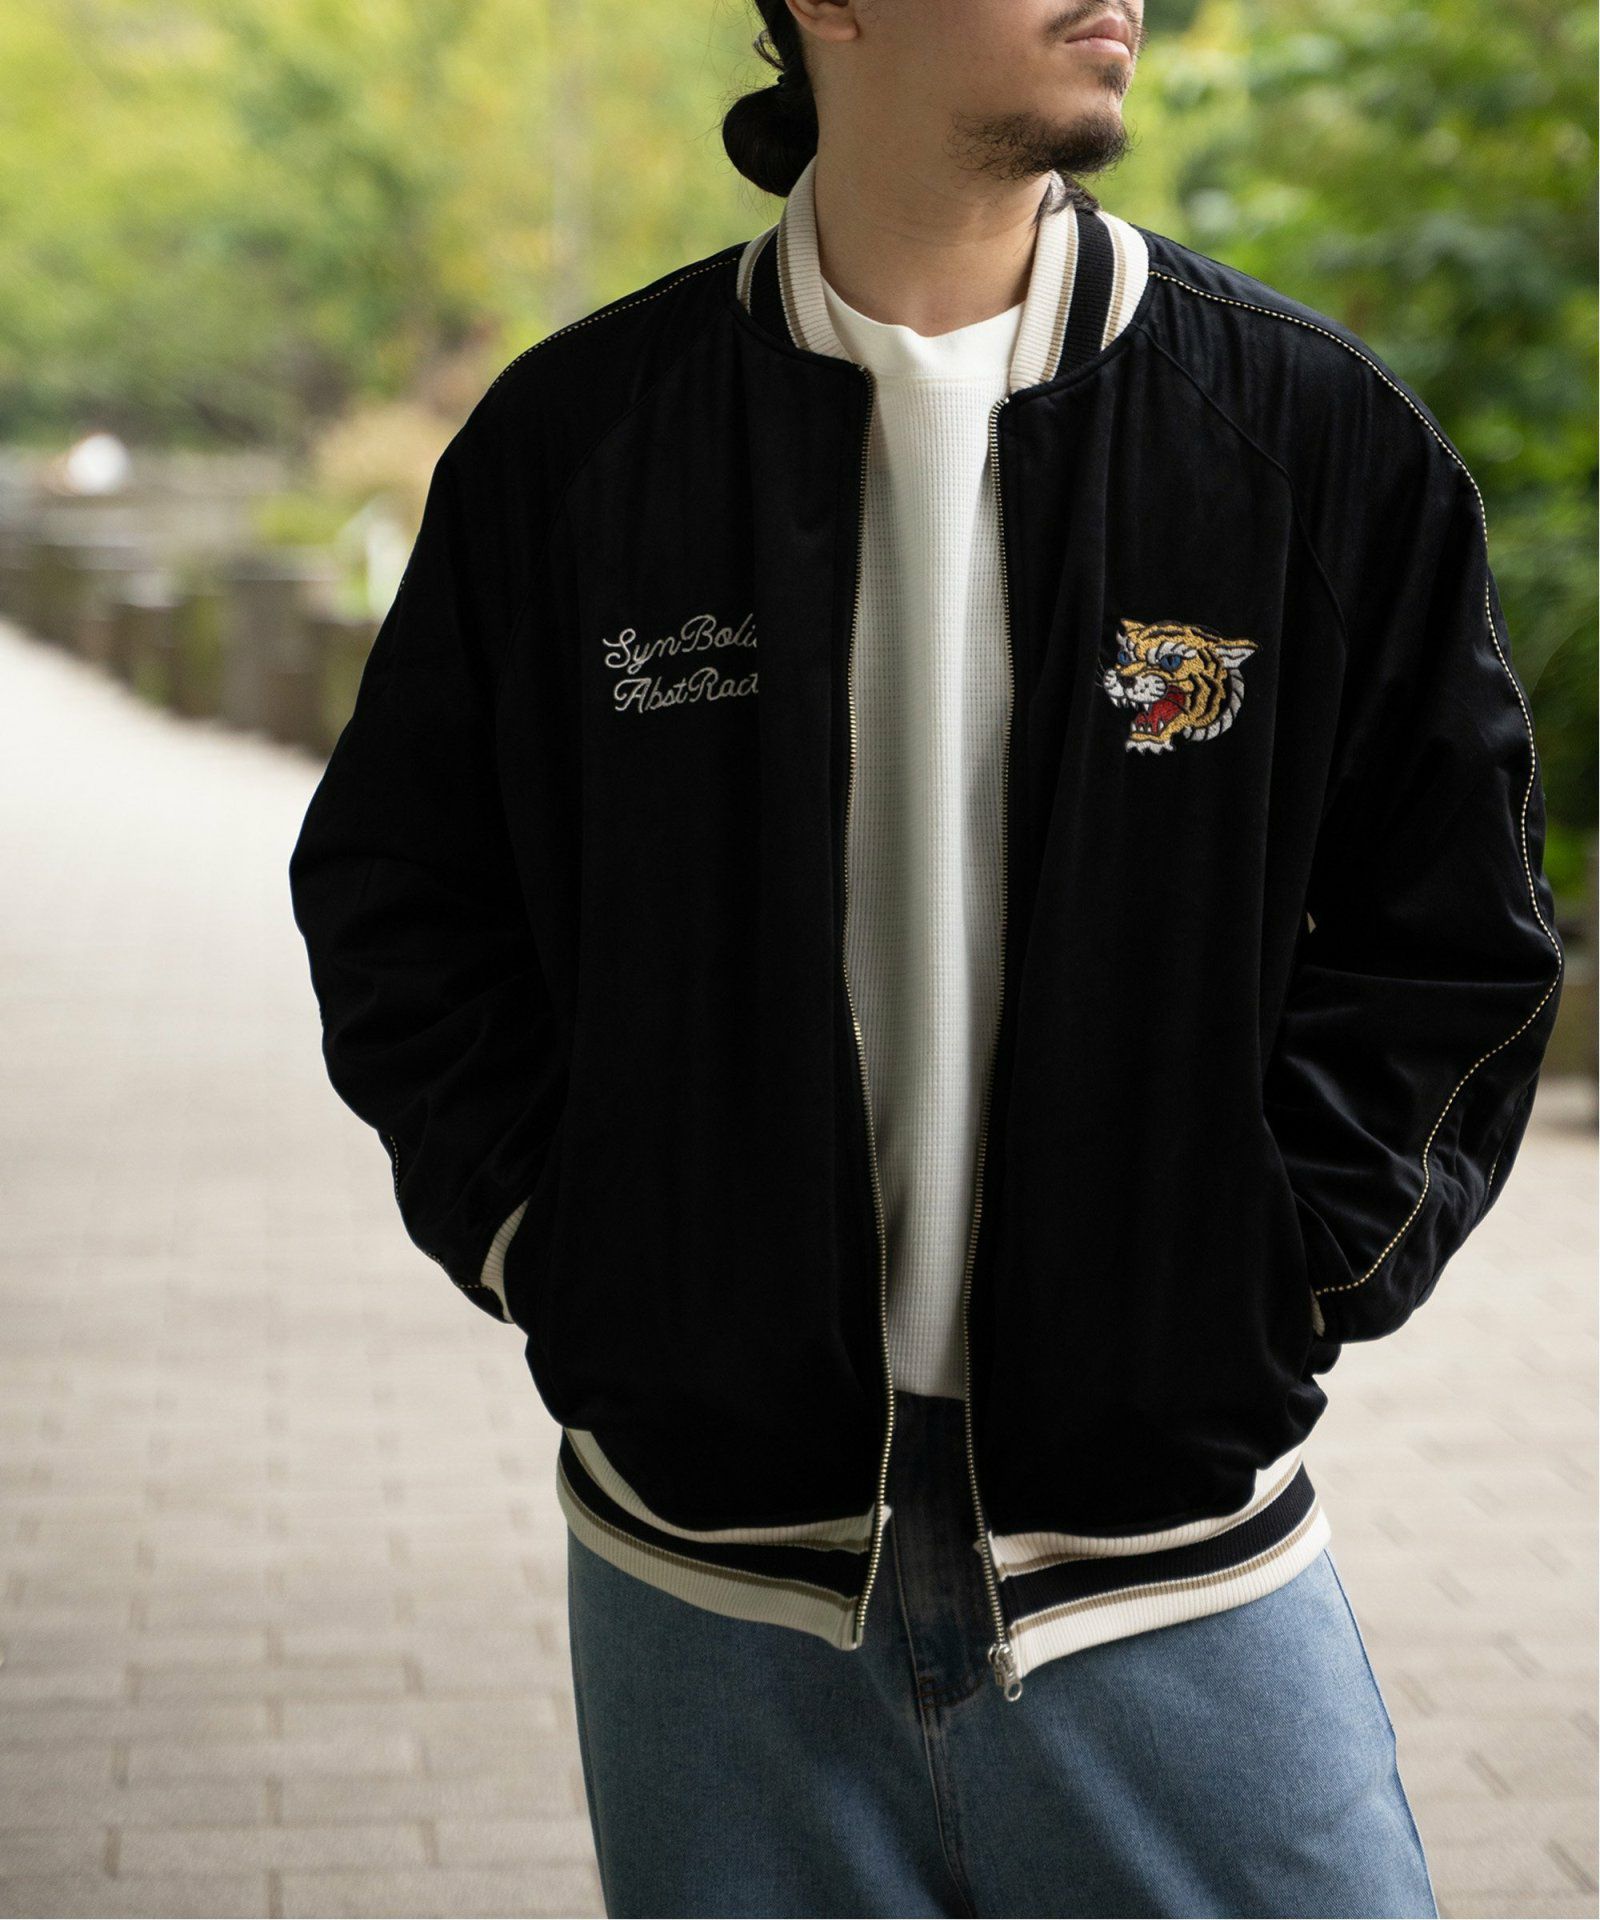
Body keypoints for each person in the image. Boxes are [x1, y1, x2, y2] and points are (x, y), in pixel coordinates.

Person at [287, 0, 1565, 1911]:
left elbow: (1456, 935)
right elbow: (402, 895)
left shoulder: (1307, 438)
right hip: (713, 1592)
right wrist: (566, 1247)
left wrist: (1275, 1273)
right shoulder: (579, 450)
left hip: (1166, 1568)